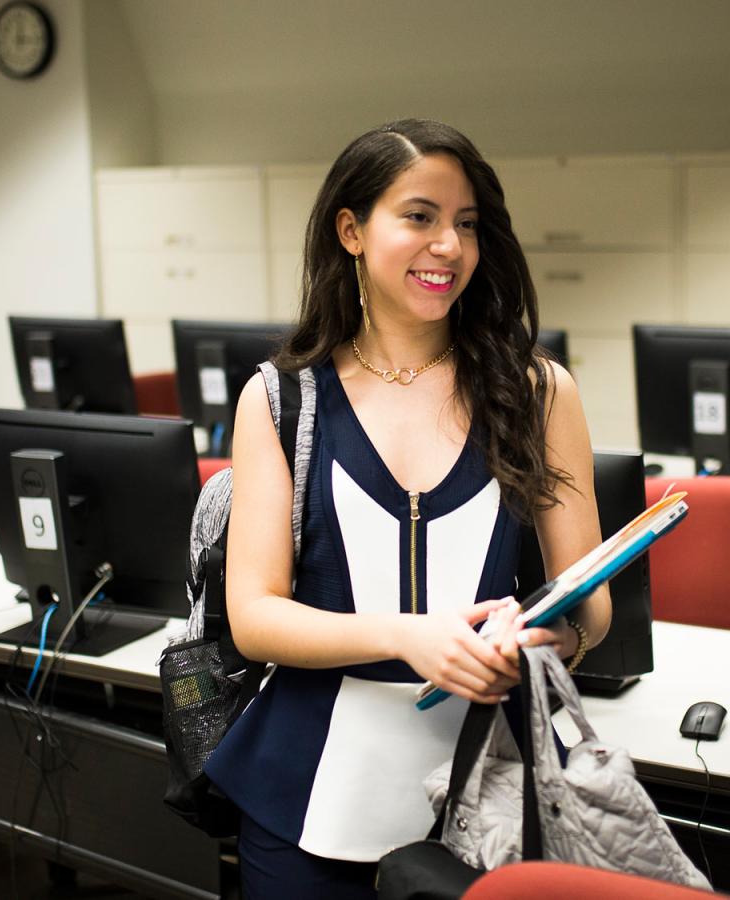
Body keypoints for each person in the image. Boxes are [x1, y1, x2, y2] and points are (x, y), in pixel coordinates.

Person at [203, 119, 609, 898]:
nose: (448, 247)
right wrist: (408, 638)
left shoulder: (540, 392)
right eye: (419, 217)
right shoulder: (284, 399)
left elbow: (592, 604)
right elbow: (254, 616)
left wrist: (557, 634)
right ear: (351, 230)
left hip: (489, 799)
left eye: (466, 224)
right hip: (307, 798)